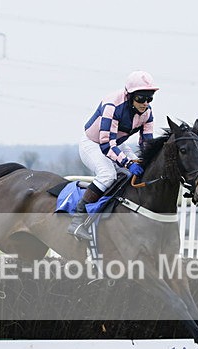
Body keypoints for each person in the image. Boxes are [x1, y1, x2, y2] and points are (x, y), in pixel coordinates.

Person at [67, 70, 159, 240]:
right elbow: (106, 145)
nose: (145, 103)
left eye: (149, 98)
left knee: (137, 172)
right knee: (107, 175)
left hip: (117, 143)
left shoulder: (148, 113)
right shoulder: (112, 105)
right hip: (93, 143)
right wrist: (128, 163)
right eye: (141, 98)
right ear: (129, 95)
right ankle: (77, 221)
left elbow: (147, 145)